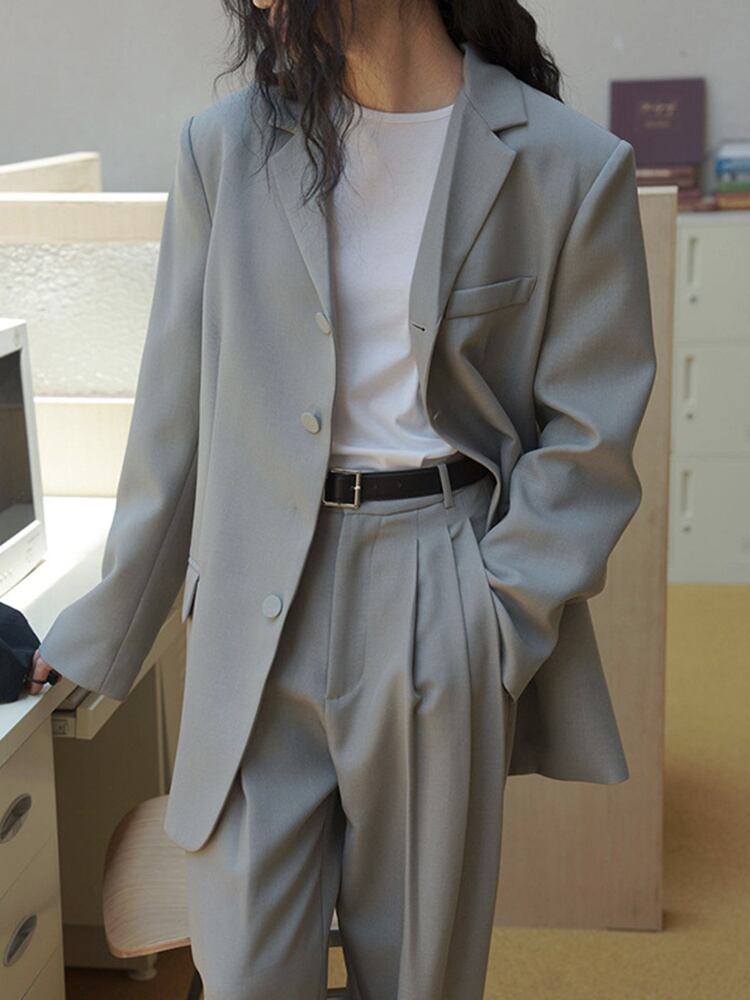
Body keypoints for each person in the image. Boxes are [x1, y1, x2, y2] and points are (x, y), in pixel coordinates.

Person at [31, 1, 657, 997]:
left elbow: (589, 438)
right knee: (244, 967)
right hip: (252, 607)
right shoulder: (226, 149)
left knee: (416, 972)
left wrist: (494, 619)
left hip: (440, 594)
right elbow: (177, 420)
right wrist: (100, 628)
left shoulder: (569, 164)